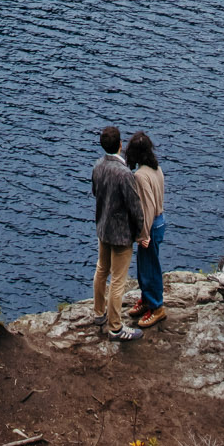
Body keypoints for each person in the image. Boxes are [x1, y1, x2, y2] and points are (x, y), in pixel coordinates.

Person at [89, 125, 141, 341]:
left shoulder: (97, 166)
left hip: (103, 228)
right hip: (121, 235)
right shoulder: (125, 173)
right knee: (118, 280)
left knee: (101, 270)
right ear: (121, 145)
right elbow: (135, 207)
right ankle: (115, 327)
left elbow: (95, 192)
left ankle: (99, 313)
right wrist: (139, 232)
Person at [125, 130, 165, 325]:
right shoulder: (156, 170)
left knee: (149, 268)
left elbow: (147, 207)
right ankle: (147, 299)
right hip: (160, 221)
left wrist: (143, 234)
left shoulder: (140, 176)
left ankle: (157, 308)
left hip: (150, 225)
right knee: (147, 264)